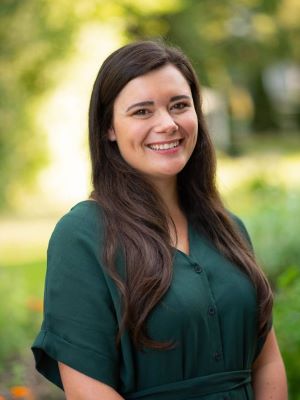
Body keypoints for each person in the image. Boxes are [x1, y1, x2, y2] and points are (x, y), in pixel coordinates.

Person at [32, 40, 288, 399]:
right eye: (142, 112)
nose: (167, 124)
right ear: (109, 128)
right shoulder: (82, 237)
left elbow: (267, 362)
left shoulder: (229, 230)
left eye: (179, 105)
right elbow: (89, 391)